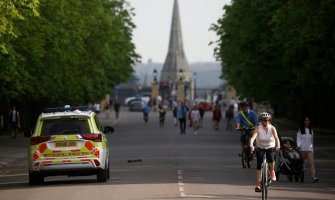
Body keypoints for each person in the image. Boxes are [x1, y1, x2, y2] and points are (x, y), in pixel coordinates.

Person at [249, 112, 280, 192]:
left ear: (269, 120)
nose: (266, 121)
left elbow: (276, 138)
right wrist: (251, 145)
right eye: (264, 120)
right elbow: (253, 137)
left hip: (270, 146)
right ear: (261, 121)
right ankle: (258, 185)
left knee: (271, 158)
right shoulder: (258, 127)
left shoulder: (272, 128)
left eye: (267, 120)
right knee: (259, 165)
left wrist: (278, 146)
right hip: (260, 147)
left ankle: (272, 171)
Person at [297, 117, 319, 183]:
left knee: (311, 164)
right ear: (303, 121)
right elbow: (298, 139)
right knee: (301, 164)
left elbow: (311, 141)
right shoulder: (300, 130)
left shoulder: (311, 130)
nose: (307, 121)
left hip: (310, 149)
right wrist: (299, 146)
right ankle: (300, 176)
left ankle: (313, 177)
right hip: (302, 149)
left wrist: (312, 148)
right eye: (305, 120)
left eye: (308, 120)